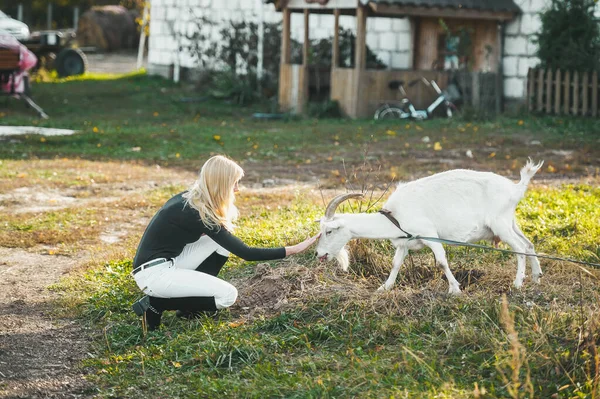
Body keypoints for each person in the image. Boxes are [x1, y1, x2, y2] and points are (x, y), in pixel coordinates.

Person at [131, 155, 319, 330]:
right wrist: (293, 249)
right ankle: (156, 304)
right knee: (228, 296)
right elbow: (247, 253)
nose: (237, 189)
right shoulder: (196, 213)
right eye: (234, 183)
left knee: (219, 243)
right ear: (221, 184)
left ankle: (190, 308)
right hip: (155, 275)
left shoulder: (191, 199)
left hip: (163, 263)